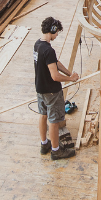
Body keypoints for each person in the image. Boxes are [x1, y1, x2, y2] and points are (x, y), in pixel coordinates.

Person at [34, 17, 79, 160]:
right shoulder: (49, 50)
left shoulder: (37, 45)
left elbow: (55, 63)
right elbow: (54, 76)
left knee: (43, 115)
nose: (57, 35)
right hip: (51, 91)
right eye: (57, 32)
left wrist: (69, 73)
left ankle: (44, 144)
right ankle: (56, 151)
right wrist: (70, 79)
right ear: (52, 30)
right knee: (54, 121)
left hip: (40, 89)